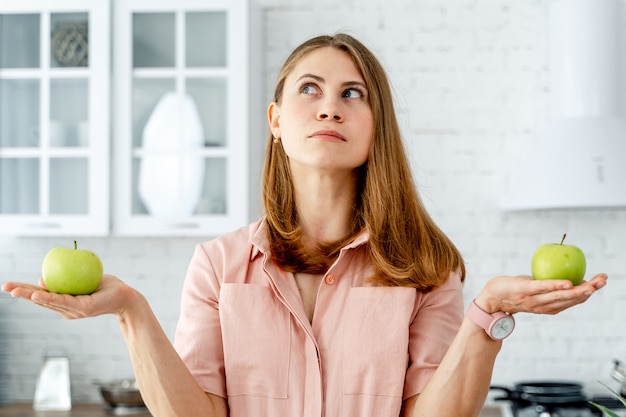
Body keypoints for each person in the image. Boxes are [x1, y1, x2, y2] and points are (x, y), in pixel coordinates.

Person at [2, 33, 607, 417]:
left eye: (352, 94)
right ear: (275, 118)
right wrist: (131, 311)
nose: (328, 106)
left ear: (376, 127)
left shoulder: (426, 268)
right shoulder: (217, 265)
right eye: (310, 89)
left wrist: (487, 315)